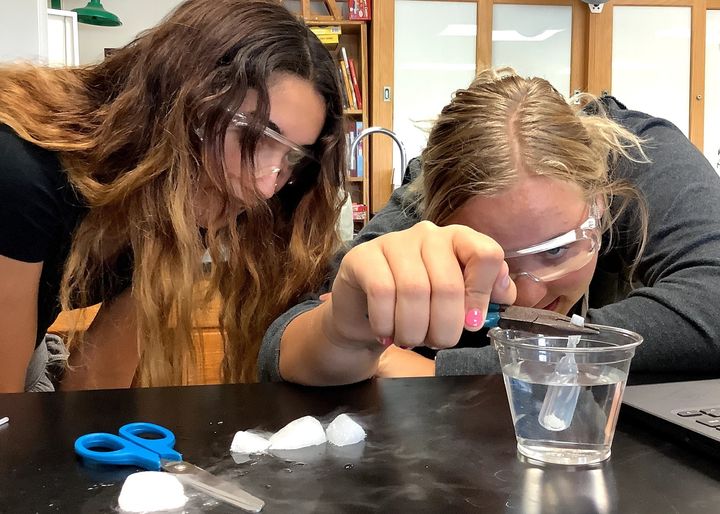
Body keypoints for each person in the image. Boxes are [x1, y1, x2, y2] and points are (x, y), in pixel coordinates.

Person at [260, 67, 720, 386]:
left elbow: (713, 303)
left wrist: (451, 370)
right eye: (489, 260)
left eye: (557, 251)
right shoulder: (431, 191)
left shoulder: (640, 154)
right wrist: (344, 332)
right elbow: (288, 343)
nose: (525, 297)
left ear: (600, 202)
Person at [0, 0, 347, 393]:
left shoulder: (186, 198)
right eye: (253, 138)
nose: (266, 187)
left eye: (291, 159)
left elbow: (94, 393)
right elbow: (9, 419)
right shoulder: (20, 171)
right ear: (182, 102)